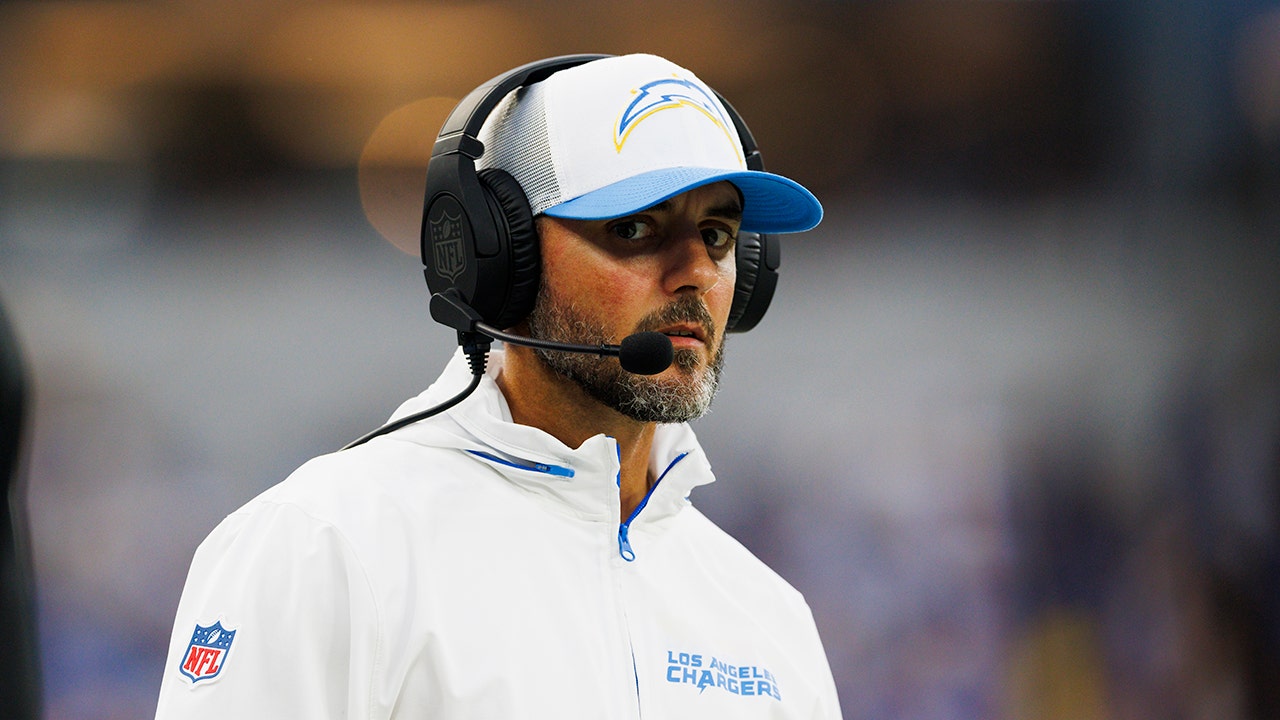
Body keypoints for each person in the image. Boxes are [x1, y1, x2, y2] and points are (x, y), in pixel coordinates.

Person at [155, 53, 842, 719]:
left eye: (718, 235)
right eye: (636, 228)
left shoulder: (767, 618)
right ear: (501, 256)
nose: (697, 272)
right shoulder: (327, 543)